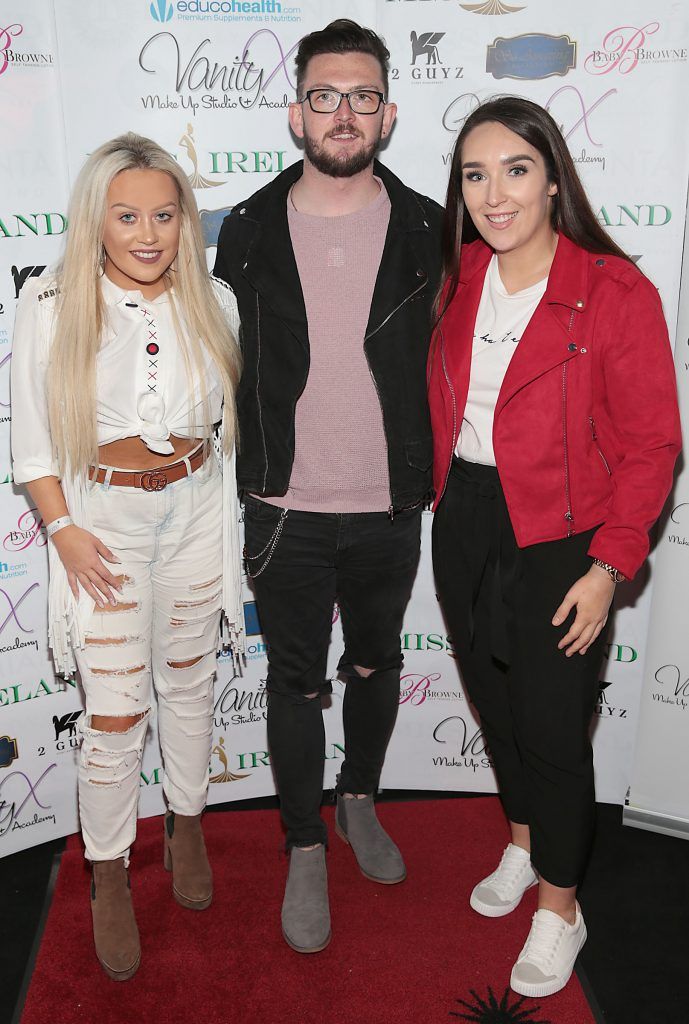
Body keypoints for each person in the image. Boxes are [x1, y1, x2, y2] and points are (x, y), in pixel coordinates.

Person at [428, 96, 681, 997]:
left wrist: (610, 565)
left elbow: (653, 445)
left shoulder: (613, 291)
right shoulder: (459, 275)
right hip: (464, 516)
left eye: (515, 169)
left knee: (551, 728)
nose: (494, 194)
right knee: (496, 712)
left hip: (563, 536)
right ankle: (524, 845)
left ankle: (561, 909)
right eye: (474, 174)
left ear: (551, 177)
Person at [213, 19, 442, 953]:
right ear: (294, 111)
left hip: (390, 502)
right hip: (282, 506)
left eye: (359, 97)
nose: (340, 113)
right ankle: (304, 840)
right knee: (295, 682)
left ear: (386, 114)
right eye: (322, 95)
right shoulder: (244, 230)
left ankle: (359, 801)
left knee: (377, 666)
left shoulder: (435, 225)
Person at [11, 133, 243, 981]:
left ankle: (186, 823)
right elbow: (32, 450)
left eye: (165, 214)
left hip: (196, 513)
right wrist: (65, 531)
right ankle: (107, 869)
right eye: (128, 215)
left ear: (185, 221)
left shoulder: (213, 299)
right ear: (97, 221)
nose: (148, 233)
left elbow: (222, 431)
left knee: (188, 683)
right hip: (100, 523)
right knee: (113, 715)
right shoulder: (51, 301)